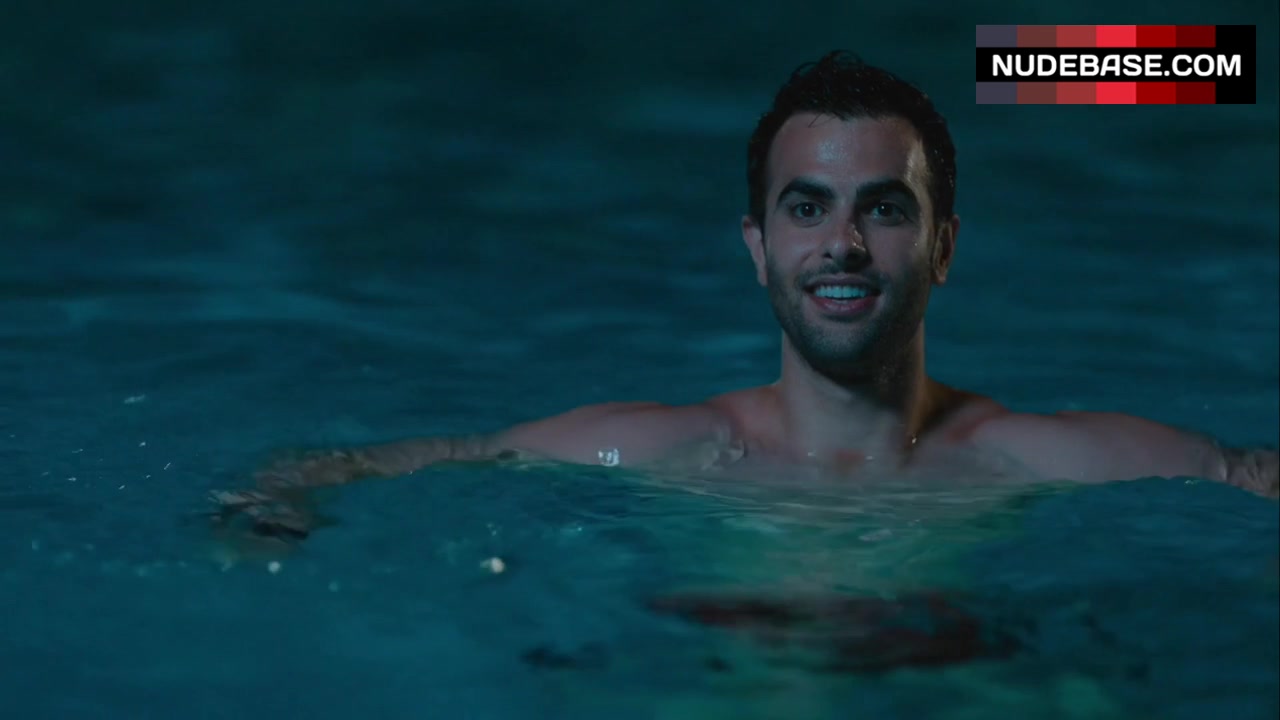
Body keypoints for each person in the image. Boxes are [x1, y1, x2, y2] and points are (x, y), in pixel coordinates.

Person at [214, 51, 1277, 540]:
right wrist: (276, 500)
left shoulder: (1024, 458)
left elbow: (1245, 473)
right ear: (757, 250)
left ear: (943, 247)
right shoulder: (671, 449)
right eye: (807, 209)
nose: (843, 244)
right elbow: (417, 458)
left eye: (884, 210)